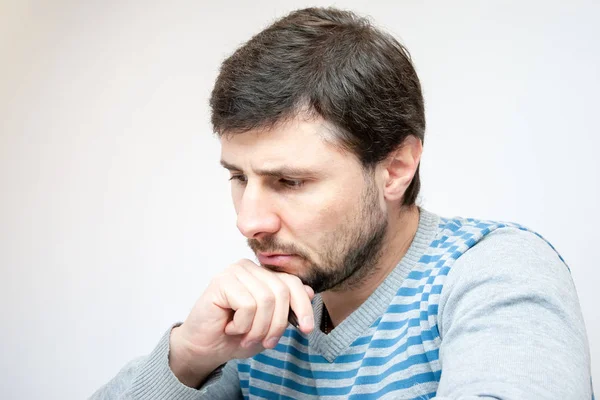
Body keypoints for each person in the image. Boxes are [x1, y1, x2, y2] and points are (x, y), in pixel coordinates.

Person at [91, 7, 593, 399]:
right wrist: (190, 356)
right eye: (239, 178)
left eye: (289, 181)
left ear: (396, 168)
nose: (249, 220)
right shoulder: (264, 317)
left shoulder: (495, 272)